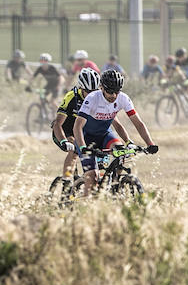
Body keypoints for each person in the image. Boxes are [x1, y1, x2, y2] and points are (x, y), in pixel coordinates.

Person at [69, 69, 158, 197]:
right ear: (102, 88)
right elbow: (77, 126)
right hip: (86, 138)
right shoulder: (92, 98)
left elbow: (138, 123)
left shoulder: (123, 98)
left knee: (121, 151)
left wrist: (150, 143)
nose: (114, 96)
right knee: (92, 178)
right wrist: (82, 147)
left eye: (117, 91)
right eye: (110, 92)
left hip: (105, 135)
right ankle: (87, 206)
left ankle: (115, 187)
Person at [51, 68, 102, 181]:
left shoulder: (100, 97)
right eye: (88, 91)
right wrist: (64, 141)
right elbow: (57, 124)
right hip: (65, 131)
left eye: (94, 91)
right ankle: (66, 182)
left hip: (82, 130)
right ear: (81, 88)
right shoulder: (71, 97)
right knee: (74, 149)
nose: (91, 95)